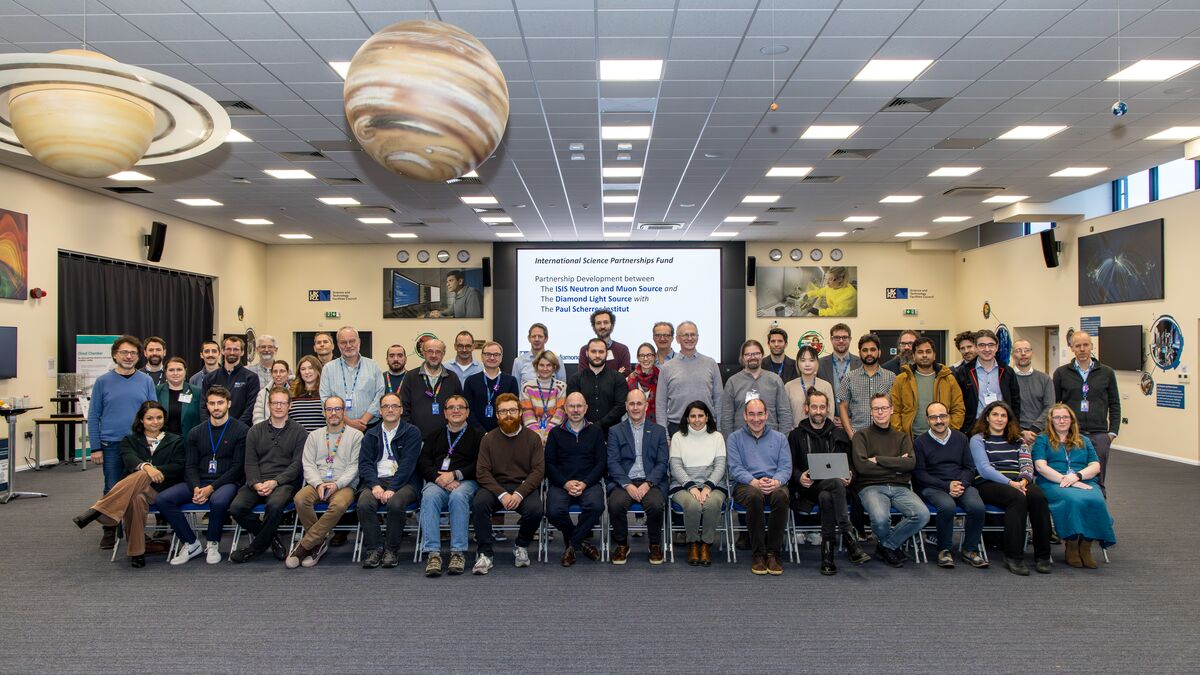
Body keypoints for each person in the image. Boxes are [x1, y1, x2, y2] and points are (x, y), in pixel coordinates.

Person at [73, 401, 185, 567]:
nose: (155, 422)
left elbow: (178, 466)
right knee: (136, 499)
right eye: (150, 418)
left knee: (141, 474)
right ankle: (137, 553)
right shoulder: (129, 440)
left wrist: (153, 470)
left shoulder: (176, 440)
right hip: (136, 491)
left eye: (159, 417)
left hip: (162, 492)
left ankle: (100, 510)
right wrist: (148, 468)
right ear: (141, 420)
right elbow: (129, 459)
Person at [161, 386, 248, 566]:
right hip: (198, 481)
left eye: (220, 403)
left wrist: (210, 488)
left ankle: (213, 543)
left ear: (228, 404)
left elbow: (238, 468)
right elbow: (190, 465)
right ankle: (191, 543)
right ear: (206, 405)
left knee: (219, 501)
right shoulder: (195, 432)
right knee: (163, 499)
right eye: (212, 403)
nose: (216, 407)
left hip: (227, 481)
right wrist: (196, 487)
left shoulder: (241, 430)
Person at [86, 335, 157, 548]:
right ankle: (109, 530)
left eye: (133, 353)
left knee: (138, 489)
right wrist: (96, 446)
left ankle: (135, 530)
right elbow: (93, 416)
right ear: (115, 355)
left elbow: (153, 413)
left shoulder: (146, 380)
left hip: (139, 444)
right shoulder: (102, 382)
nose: (128, 356)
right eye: (124, 352)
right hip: (112, 444)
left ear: (139, 356)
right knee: (112, 487)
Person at [787, 390, 869, 575]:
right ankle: (850, 538)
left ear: (828, 409)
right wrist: (799, 476)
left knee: (828, 495)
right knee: (833, 487)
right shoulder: (796, 436)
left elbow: (851, 466)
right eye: (814, 406)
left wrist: (850, 475)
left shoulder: (838, 434)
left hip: (831, 490)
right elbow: (789, 466)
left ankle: (827, 556)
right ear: (806, 408)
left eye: (822, 407)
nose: (818, 411)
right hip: (808, 489)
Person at [969, 400, 1052, 575]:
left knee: (1038, 497)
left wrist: (1024, 480)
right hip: (989, 484)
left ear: (1008, 419)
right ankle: (1013, 556)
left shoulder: (1018, 439)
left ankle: (1043, 555)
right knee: (1017, 498)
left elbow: (1027, 463)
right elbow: (984, 469)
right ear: (987, 417)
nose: (999, 419)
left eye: (1003, 415)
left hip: (1018, 482)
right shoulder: (978, 439)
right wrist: (1011, 483)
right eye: (995, 415)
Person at [228, 386, 308, 563]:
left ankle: (253, 549)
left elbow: (297, 465)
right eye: (275, 403)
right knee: (236, 508)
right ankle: (273, 540)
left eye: (283, 403)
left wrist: (275, 482)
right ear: (268, 405)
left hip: (284, 482)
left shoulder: (300, 432)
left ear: (290, 406)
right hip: (257, 480)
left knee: (274, 506)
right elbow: (249, 462)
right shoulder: (255, 431)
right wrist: (256, 483)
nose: (279, 407)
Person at [1032, 404, 1116, 569]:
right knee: (1072, 500)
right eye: (1057, 417)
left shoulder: (1083, 440)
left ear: (1072, 420)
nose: (1062, 421)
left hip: (1083, 480)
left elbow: (1095, 465)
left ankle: (1085, 546)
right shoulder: (1043, 439)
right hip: (1053, 482)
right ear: (1051, 421)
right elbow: (1041, 466)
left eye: (1065, 417)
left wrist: (1077, 476)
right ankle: (1071, 544)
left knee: (1097, 501)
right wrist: (1067, 479)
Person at [852, 393, 929, 568]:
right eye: (876, 409)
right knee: (880, 519)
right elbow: (862, 467)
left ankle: (886, 545)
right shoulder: (860, 436)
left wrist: (878, 459)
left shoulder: (902, 437)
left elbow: (910, 464)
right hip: (870, 486)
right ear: (871, 412)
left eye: (884, 408)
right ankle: (890, 547)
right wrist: (896, 463)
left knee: (922, 515)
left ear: (892, 410)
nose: (880, 412)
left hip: (900, 486)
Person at [471, 393, 545, 575]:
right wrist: (502, 494)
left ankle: (521, 545)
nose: (508, 415)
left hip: (523, 487)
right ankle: (485, 553)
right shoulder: (488, 439)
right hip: (495, 488)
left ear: (520, 412)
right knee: (479, 504)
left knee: (536, 509)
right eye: (503, 411)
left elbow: (538, 471)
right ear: (497, 415)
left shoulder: (533, 438)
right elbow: (482, 472)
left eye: (512, 410)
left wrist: (519, 493)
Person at [287, 396, 363, 569]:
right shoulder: (314, 435)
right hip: (318, 483)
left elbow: (355, 467)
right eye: (329, 409)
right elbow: (308, 464)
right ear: (324, 412)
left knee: (338, 505)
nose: (333, 413)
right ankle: (319, 541)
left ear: (344, 412)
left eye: (337, 409)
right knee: (300, 499)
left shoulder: (356, 436)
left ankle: (305, 545)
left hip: (344, 484)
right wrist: (318, 483)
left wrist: (337, 484)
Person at [912, 401, 988, 570]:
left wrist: (960, 484)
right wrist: (947, 486)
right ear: (927, 420)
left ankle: (970, 550)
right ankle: (944, 550)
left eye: (942, 416)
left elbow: (969, 467)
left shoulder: (960, 438)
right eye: (933, 417)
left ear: (949, 417)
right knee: (947, 507)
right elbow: (920, 474)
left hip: (961, 483)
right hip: (933, 486)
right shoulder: (920, 442)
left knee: (977, 507)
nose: (939, 420)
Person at [417, 394, 485, 577]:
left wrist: (455, 474)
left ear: (467, 412)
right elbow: (423, 462)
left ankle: (457, 552)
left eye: (460, 407)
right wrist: (439, 478)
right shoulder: (434, 435)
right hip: (438, 481)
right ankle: (433, 553)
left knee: (458, 496)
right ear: (445, 413)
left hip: (466, 481)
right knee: (429, 496)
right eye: (452, 408)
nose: (456, 411)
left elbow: (480, 464)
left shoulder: (478, 436)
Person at [357, 391, 423, 569]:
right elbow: (364, 464)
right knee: (364, 504)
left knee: (395, 503)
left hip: (405, 482)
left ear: (401, 410)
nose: (390, 409)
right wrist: (375, 485)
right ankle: (375, 548)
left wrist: (392, 488)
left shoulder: (412, 432)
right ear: (380, 411)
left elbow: (408, 465)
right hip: (377, 480)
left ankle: (392, 550)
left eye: (395, 406)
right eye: (386, 406)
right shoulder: (371, 434)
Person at [726, 398, 792, 575]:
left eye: (760, 414)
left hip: (774, 482)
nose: (756, 419)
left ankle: (773, 553)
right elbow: (734, 467)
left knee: (781, 497)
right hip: (746, 484)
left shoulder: (780, 438)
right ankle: (758, 553)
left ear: (767, 415)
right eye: (752, 414)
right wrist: (754, 482)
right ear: (745, 416)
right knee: (755, 497)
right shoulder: (734, 438)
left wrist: (777, 481)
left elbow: (786, 467)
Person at [606, 389, 668, 565]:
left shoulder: (658, 431)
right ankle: (622, 544)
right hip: (624, 481)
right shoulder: (615, 431)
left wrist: (648, 484)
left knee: (656, 505)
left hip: (651, 482)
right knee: (615, 504)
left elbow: (662, 463)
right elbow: (613, 462)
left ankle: (654, 544)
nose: (635, 407)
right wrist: (628, 485)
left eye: (639, 403)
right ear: (626, 406)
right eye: (631, 404)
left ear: (646, 406)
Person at [544, 392, 606, 566]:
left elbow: (601, 463)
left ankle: (571, 545)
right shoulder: (555, 433)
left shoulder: (596, 432)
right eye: (572, 406)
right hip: (561, 483)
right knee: (553, 511)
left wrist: (585, 483)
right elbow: (549, 464)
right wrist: (565, 483)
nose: (576, 410)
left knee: (596, 506)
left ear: (586, 409)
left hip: (589, 483)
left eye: (579, 406)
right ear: (565, 408)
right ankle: (581, 543)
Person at [1053, 331, 1120, 488]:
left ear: (1091, 346)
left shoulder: (1107, 372)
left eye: (1085, 345)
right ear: (1072, 348)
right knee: (1073, 474)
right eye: (1077, 346)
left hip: (1100, 434)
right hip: (1072, 433)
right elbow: (1055, 405)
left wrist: (1112, 432)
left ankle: (1099, 507)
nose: (1082, 349)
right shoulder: (1061, 373)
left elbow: (1114, 403)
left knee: (1098, 477)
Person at [668, 401, 726, 566]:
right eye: (693, 416)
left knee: (712, 503)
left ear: (707, 417)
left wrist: (707, 487)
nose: (697, 419)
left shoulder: (717, 437)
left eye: (701, 415)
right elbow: (676, 467)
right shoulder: (678, 437)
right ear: (687, 418)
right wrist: (691, 487)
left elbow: (720, 466)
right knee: (693, 505)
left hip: (713, 485)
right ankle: (693, 543)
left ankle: (706, 544)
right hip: (683, 485)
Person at [656, 321, 724, 436]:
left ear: (697, 337)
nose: (689, 338)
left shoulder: (711, 363)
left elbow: (719, 399)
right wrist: (665, 435)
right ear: (677, 339)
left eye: (693, 335)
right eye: (685, 335)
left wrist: (719, 429)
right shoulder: (666, 368)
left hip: (707, 426)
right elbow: (660, 404)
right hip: (676, 427)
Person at [890, 337, 965, 437]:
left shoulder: (948, 379)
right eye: (920, 352)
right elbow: (894, 410)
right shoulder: (901, 379)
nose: (924, 355)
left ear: (934, 355)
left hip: (941, 437)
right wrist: (901, 434)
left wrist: (949, 431)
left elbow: (958, 409)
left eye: (928, 352)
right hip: (911, 438)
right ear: (914, 356)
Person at [319, 326, 384, 433]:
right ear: (338, 345)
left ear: (359, 342)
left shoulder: (373, 365)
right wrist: (349, 422)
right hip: (340, 427)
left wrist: (363, 421)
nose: (348, 345)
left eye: (352, 341)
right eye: (343, 342)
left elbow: (380, 395)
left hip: (371, 426)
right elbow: (325, 399)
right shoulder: (328, 369)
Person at [954, 329, 1020, 434]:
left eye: (991, 345)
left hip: (1002, 426)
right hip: (973, 427)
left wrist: (1015, 428)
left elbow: (1016, 403)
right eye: (982, 345)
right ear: (975, 347)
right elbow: (958, 404)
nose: (987, 349)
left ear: (997, 347)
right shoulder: (963, 372)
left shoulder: (1007, 371)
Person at [721, 339, 793, 435]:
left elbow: (785, 414)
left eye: (756, 353)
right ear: (742, 357)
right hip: (741, 441)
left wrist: (782, 440)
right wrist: (729, 443)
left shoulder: (775, 380)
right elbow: (726, 418)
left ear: (762, 355)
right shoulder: (732, 382)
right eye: (748, 354)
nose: (752, 357)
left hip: (771, 441)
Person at [400, 338, 463, 438]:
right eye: (430, 351)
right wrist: (411, 433)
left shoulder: (452, 378)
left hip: (447, 438)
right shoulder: (410, 377)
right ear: (423, 353)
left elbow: (460, 408)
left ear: (443, 354)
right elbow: (403, 408)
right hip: (417, 438)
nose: (434, 355)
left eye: (438, 352)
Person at [837, 334, 896, 435]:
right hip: (857, 435)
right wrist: (851, 434)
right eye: (865, 350)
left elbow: (895, 407)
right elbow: (843, 407)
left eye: (873, 349)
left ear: (879, 352)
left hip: (885, 436)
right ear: (859, 353)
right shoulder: (849, 377)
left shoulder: (891, 377)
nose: (869, 353)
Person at [568, 338, 629, 433]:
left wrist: (599, 425)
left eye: (601, 352)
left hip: (612, 434)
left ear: (606, 354)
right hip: (581, 432)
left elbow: (621, 407)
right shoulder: (576, 380)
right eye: (593, 352)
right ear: (587, 353)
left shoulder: (618, 379)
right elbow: (571, 407)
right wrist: (587, 425)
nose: (597, 355)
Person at [201, 335, 259, 426]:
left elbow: (250, 408)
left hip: (241, 431)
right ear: (223, 351)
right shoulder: (209, 378)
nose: (232, 352)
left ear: (242, 352)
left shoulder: (251, 378)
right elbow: (203, 406)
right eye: (228, 349)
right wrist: (209, 426)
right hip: (213, 429)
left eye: (236, 349)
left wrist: (236, 428)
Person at [464, 341, 519, 432]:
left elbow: (513, 410)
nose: (492, 357)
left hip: (504, 433)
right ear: (482, 357)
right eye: (488, 354)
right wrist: (481, 432)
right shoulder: (471, 381)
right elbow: (468, 410)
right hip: (476, 434)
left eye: (496, 354)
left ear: (501, 358)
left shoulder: (511, 381)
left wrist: (499, 432)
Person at [1012, 339, 1055, 446]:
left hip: (1040, 434)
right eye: (1018, 350)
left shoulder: (1044, 379)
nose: (1023, 354)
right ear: (1012, 355)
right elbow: (1004, 406)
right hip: (1013, 433)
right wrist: (1020, 431)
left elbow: (1050, 406)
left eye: (1026, 350)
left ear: (1032, 353)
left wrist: (1034, 429)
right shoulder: (1006, 378)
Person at [519, 350, 567, 442]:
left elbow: (560, 413)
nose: (545, 368)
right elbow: (527, 414)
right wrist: (537, 436)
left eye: (548, 365)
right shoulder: (527, 387)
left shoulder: (561, 387)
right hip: (532, 436)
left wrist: (548, 435)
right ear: (536, 366)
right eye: (541, 365)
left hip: (555, 435)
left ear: (554, 367)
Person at [784, 345, 835, 426]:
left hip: (821, 435)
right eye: (803, 360)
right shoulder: (789, 386)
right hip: (796, 434)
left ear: (817, 363)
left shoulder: (826, 386)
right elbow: (785, 416)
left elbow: (830, 414)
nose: (807, 364)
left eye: (811, 360)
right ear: (797, 363)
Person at [817, 323, 861, 415]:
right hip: (829, 420)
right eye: (837, 337)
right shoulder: (820, 364)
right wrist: (831, 417)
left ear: (850, 339)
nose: (841, 341)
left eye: (844, 337)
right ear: (831, 339)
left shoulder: (861, 363)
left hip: (855, 420)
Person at [156, 356, 202, 437]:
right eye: (171, 370)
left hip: (189, 441)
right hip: (164, 442)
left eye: (179, 369)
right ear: (165, 372)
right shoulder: (157, 391)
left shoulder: (197, 392)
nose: (175, 373)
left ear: (185, 371)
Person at [576, 309, 631, 374]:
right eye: (598, 323)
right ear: (593, 327)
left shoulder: (622, 349)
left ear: (612, 325)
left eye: (606, 322)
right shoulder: (585, 350)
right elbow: (583, 378)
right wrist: (616, 375)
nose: (602, 326)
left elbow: (624, 377)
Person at [288, 355, 325, 432]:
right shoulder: (292, 394)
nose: (307, 372)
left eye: (311, 368)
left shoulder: (326, 393)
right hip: (297, 441)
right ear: (299, 372)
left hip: (320, 441)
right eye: (303, 369)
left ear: (318, 369)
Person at [628, 342, 661, 426]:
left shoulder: (661, 378)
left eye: (649, 355)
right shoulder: (629, 380)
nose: (645, 359)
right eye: (642, 356)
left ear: (655, 357)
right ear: (638, 358)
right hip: (633, 425)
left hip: (657, 425)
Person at [252, 359, 291, 425]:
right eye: (275, 371)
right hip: (266, 432)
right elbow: (257, 417)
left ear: (288, 373)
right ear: (271, 374)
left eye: (282, 371)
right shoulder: (263, 394)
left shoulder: (294, 392)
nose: (278, 374)